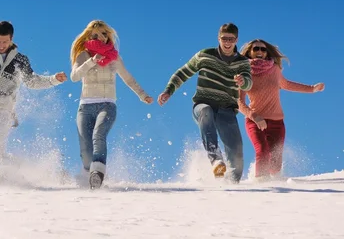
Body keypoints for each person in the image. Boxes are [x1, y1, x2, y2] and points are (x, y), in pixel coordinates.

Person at [0, 20, 68, 188]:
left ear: (11, 39)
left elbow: (32, 81)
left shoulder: (20, 60)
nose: (1, 45)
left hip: (3, 110)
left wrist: (53, 80)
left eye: (5, 41)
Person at [157, 23, 252, 183]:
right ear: (218, 38)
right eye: (224, 39)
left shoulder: (242, 62)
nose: (227, 43)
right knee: (206, 111)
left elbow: (249, 83)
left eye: (231, 39)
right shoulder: (205, 55)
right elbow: (183, 72)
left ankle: (231, 184)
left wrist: (243, 82)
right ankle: (216, 160)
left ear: (236, 40)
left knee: (236, 151)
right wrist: (169, 90)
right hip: (202, 104)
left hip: (227, 109)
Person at [70, 20, 153, 189]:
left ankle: (97, 173)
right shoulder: (83, 55)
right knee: (85, 149)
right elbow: (75, 77)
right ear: (89, 37)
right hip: (85, 106)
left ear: (108, 35)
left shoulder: (114, 58)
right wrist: (92, 61)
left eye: (104, 34)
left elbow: (128, 78)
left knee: (98, 135)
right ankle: (88, 174)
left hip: (107, 105)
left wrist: (142, 95)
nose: (100, 37)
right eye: (95, 35)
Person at [239, 39, 325, 181]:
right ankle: (260, 185)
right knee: (262, 150)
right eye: (256, 49)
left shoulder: (275, 70)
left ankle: (277, 186)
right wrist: (254, 116)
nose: (260, 51)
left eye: (263, 49)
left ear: (267, 52)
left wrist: (312, 89)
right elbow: (240, 102)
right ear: (250, 52)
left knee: (275, 163)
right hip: (255, 121)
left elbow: (286, 84)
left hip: (277, 123)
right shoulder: (244, 74)